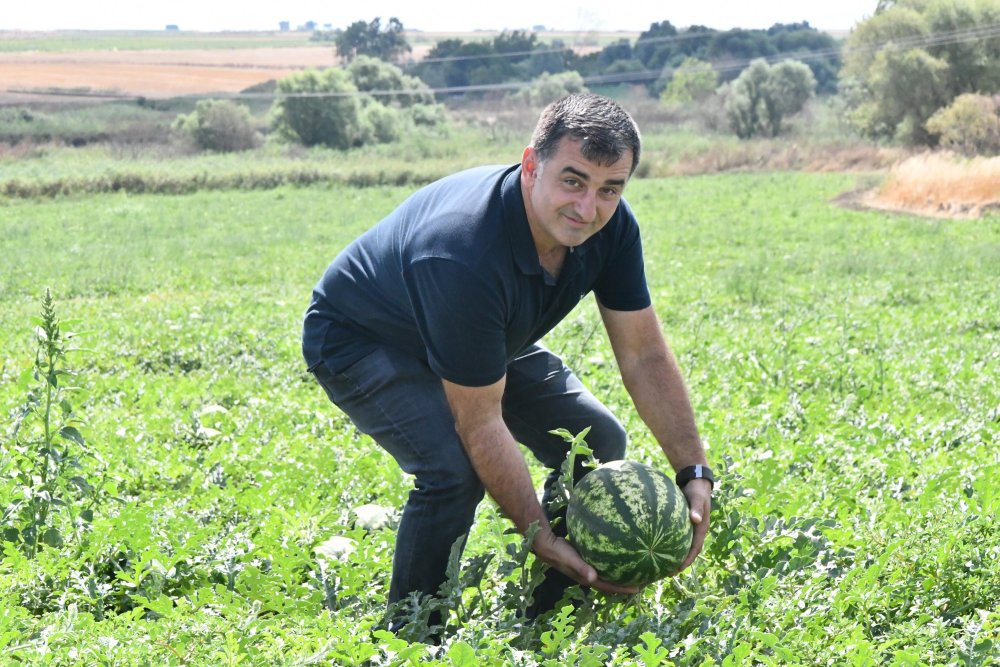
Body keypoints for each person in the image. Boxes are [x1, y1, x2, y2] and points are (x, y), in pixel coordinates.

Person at [302, 93, 713, 627]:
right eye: (572, 180)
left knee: (595, 440)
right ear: (530, 165)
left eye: (608, 189)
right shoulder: (461, 250)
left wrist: (694, 470)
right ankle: (410, 633)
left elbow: (643, 354)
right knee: (452, 472)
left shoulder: (610, 228)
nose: (588, 208)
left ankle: (552, 612)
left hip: (480, 336)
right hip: (363, 337)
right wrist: (537, 533)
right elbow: (479, 421)